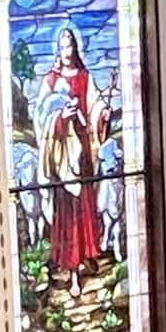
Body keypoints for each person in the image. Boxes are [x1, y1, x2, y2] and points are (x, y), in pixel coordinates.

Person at [35, 24, 104, 274]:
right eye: (63, 46)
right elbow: (40, 115)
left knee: (85, 200)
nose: (67, 50)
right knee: (66, 204)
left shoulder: (85, 78)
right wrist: (60, 116)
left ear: (76, 47)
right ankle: (66, 256)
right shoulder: (51, 80)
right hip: (61, 151)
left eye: (70, 45)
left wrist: (101, 113)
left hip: (82, 148)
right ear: (58, 49)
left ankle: (88, 252)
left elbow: (94, 105)